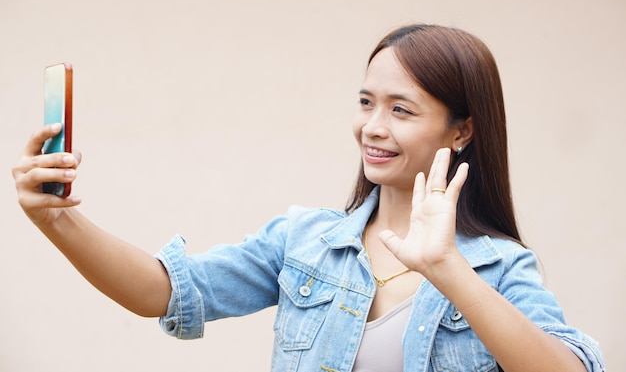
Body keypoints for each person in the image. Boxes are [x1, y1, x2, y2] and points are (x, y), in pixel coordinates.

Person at [12, 24, 605, 372]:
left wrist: (450, 270)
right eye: (367, 102)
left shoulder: (497, 268)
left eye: (401, 110)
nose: (373, 126)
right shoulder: (305, 242)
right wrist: (56, 221)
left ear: (461, 131)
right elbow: (163, 291)